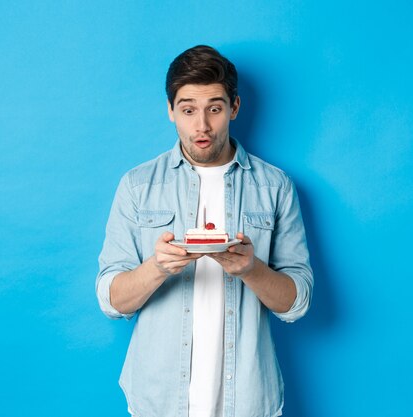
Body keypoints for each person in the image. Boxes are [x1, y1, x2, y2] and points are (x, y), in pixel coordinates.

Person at [96, 45, 313, 417]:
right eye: (188, 110)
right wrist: (158, 267)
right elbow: (111, 301)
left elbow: (297, 303)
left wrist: (250, 268)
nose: (201, 126)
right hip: (158, 400)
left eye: (214, 108)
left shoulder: (275, 186)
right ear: (170, 111)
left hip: (247, 399)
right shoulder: (137, 185)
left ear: (234, 108)